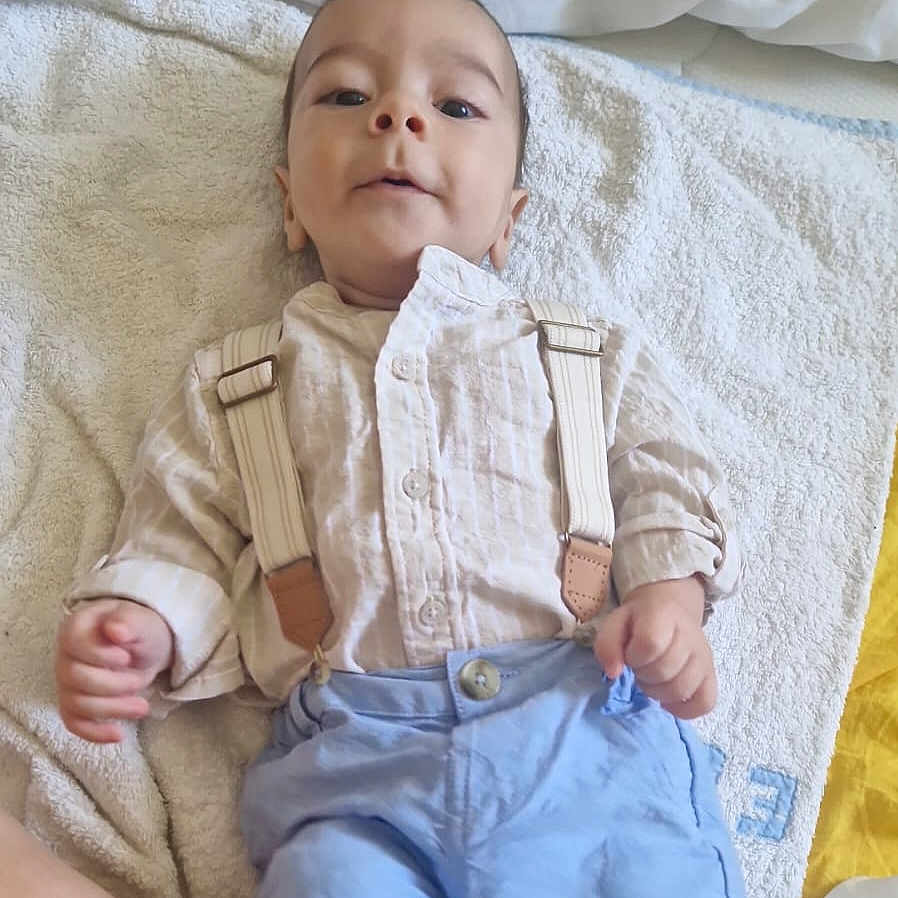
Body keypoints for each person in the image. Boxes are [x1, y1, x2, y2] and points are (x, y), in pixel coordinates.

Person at [54, 0, 747, 895]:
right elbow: (178, 533)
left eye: (455, 106)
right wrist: (142, 626)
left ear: (508, 220)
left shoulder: (579, 352)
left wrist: (667, 600)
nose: (397, 116)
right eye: (347, 96)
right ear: (290, 204)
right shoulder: (239, 383)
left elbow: (665, 477)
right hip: (355, 771)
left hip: (588, 738)